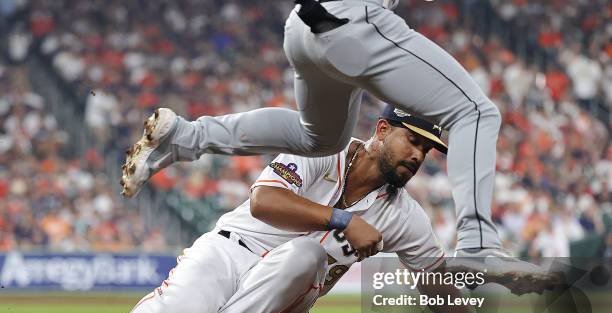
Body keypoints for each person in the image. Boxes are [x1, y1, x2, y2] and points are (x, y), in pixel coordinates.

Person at [54, 107, 579, 313]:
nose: (421, 155)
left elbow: (439, 290)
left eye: (429, 149)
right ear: (381, 130)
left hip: (283, 304)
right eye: (414, 140)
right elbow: (262, 202)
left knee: (308, 254)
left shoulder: (405, 217)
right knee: (178, 306)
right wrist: (342, 218)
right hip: (232, 248)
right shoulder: (320, 152)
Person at [121, 0, 505, 261]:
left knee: (320, 139)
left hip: (305, 28)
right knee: (475, 112)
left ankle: (187, 137)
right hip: (355, 24)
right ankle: (478, 246)